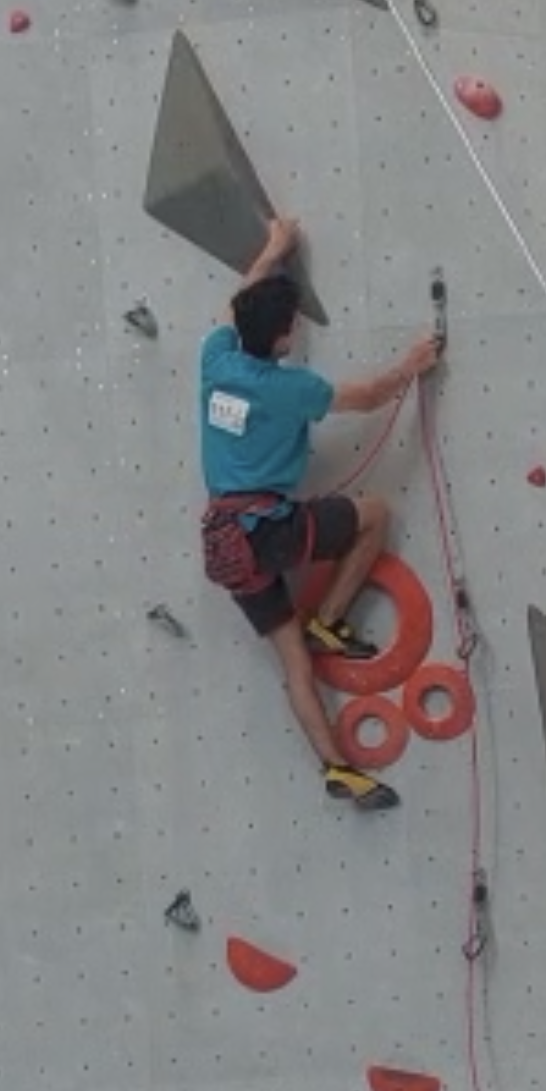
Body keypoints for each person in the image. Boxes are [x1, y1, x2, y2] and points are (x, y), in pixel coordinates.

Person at [198, 216, 442, 810]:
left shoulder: (215, 360)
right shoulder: (289, 388)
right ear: (285, 339)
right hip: (266, 532)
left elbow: (237, 303)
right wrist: (412, 363)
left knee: (293, 660)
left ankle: (337, 769)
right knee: (374, 514)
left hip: (225, 547)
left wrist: (273, 249)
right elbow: (368, 396)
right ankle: (330, 619)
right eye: (291, 326)